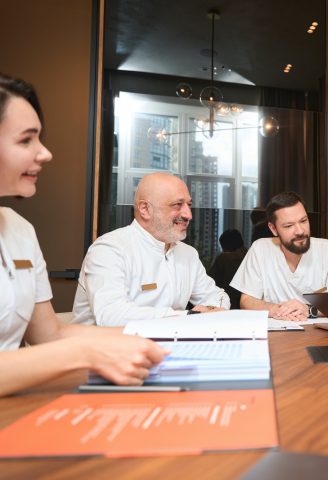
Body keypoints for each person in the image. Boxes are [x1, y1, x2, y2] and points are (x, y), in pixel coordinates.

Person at [0, 73, 167, 396]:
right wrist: (84, 354)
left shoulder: (20, 230)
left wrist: (168, 336)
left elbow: (51, 335)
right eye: (26, 140)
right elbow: (66, 349)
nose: (45, 153)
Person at [73, 173, 230, 326]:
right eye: (177, 205)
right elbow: (111, 316)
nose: (188, 214)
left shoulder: (187, 254)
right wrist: (188, 316)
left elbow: (217, 296)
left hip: (165, 348)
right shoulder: (109, 249)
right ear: (145, 209)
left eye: (189, 205)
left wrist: (211, 310)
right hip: (105, 349)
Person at [231, 191, 328, 320]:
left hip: (320, 335)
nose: (300, 231)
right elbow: (247, 301)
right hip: (276, 333)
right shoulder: (260, 249)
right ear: (274, 229)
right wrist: (275, 310)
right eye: (289, 226)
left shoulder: (327, 249)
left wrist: (308, 309)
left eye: (303, 221)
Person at [208, 229, 247, 309]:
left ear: (225, 246)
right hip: (249, 309)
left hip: (228, 306)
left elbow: (209, 283)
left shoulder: (224, 259)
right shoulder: (251, 256)